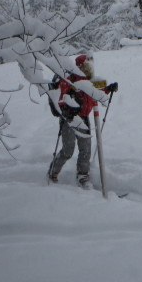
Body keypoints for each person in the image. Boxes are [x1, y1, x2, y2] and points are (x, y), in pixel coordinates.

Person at [48, 54, 118, 189]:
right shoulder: (69, 80)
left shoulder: (89, 81)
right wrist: (69, 109)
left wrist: (108, 89)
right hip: (70, 119)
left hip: (84, 118)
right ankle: (53, 172)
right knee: (68, 150)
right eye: (87, 66)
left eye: (90, 66)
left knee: (85, 149)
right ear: (80, 66)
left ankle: (82, 175)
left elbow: (96, 92)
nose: (90, 69)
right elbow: (61, 98)